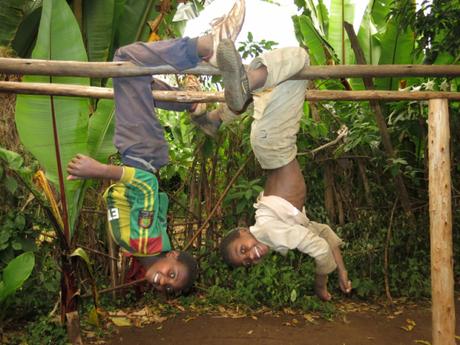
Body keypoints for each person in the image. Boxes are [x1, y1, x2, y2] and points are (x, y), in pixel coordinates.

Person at [67, 0, 246, 295]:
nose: (164, 279)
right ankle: (206, 46)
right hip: (140, 153)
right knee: (125, 59)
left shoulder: (139, 246)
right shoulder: (146, 240)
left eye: (168, 286)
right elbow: (147, 185)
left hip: (139, 151)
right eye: (172, 274)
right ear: (172, 256)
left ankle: (194, 106)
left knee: (133, 81)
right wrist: (96, 169)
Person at [216, 39, 352, 301]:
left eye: (241, 249)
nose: (249, 256)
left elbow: (320, 250)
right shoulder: (274, 235)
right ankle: (218, 115)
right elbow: (324, 236)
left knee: (300, 58)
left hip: (274, 147)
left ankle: (246, 83)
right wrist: (342, 274)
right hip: (270, 145)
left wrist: (320, 285)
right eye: (245, 260)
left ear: (244, 232)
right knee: (285, 80)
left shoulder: (270, 232)